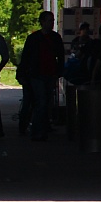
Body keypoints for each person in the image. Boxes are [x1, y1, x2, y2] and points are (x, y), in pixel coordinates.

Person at [17, 10, 66, 141]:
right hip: (36, 74)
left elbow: (60, 56)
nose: (51, 23)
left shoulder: (55, 38)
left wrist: (59, 71)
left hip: (50, 74)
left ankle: (41, 128)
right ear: (42, 22)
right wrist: (22, 73)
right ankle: (37, 130)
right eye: (49, 20)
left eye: (53, 21)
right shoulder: (34, 39)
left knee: (45, 102)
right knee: (41, 101)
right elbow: (26, 57)